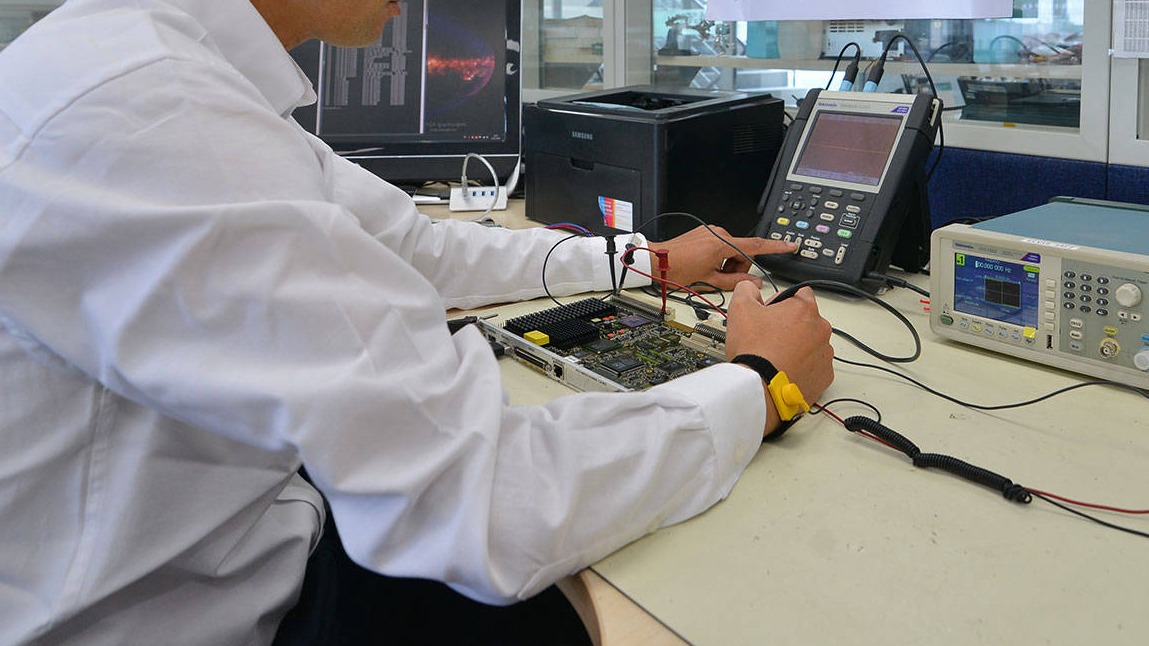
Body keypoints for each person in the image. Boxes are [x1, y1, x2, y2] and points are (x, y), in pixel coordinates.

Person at [0, 0, 835, 644]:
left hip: (250, 543)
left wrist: (641, 262)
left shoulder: (157, 66)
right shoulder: (155, 112)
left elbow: (413, 248)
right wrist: (760, 386)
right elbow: (480, 500)